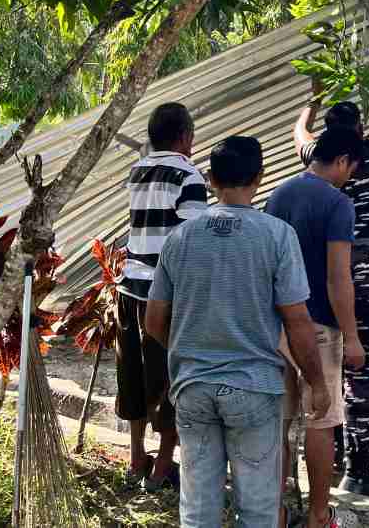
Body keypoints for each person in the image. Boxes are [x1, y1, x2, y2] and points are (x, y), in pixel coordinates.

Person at [144, 136, 329, 527]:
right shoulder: (278, 236)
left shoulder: (180, 238)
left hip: (192, 387)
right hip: (254, 388)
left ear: (211, 179)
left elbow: (154, 320)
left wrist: (190, 347)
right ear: (259, 177)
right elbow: (297, 322)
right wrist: (317, 383)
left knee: (198, 512)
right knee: (258, 512)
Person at [294, 40, 369, 497]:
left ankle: (328, 452)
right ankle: (358, 469)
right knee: (363, 370)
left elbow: (298, 131)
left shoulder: (318, 160)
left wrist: (314, 94)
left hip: (322, 272)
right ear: (356, 131)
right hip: (365, 268)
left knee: (325, 363)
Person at [267, 128, 367, 528]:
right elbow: (338, 278)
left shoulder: (279, 194)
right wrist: (353, 337)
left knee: (277, 424)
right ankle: (318, 516)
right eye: (352, 169)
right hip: (319, 327)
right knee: (321, 421)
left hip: (276, 324)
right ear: (342, 161)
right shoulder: (338, 204)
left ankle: (273, 512)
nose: (350, 177)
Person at [119, 102, 208, 491]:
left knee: (134, 378)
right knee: (174, 378)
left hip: (129, 288)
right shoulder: (189, 175)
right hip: (165, 295)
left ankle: (136, 457)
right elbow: (192, 243)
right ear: (185, 137)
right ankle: (162, 467)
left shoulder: (137, 171)